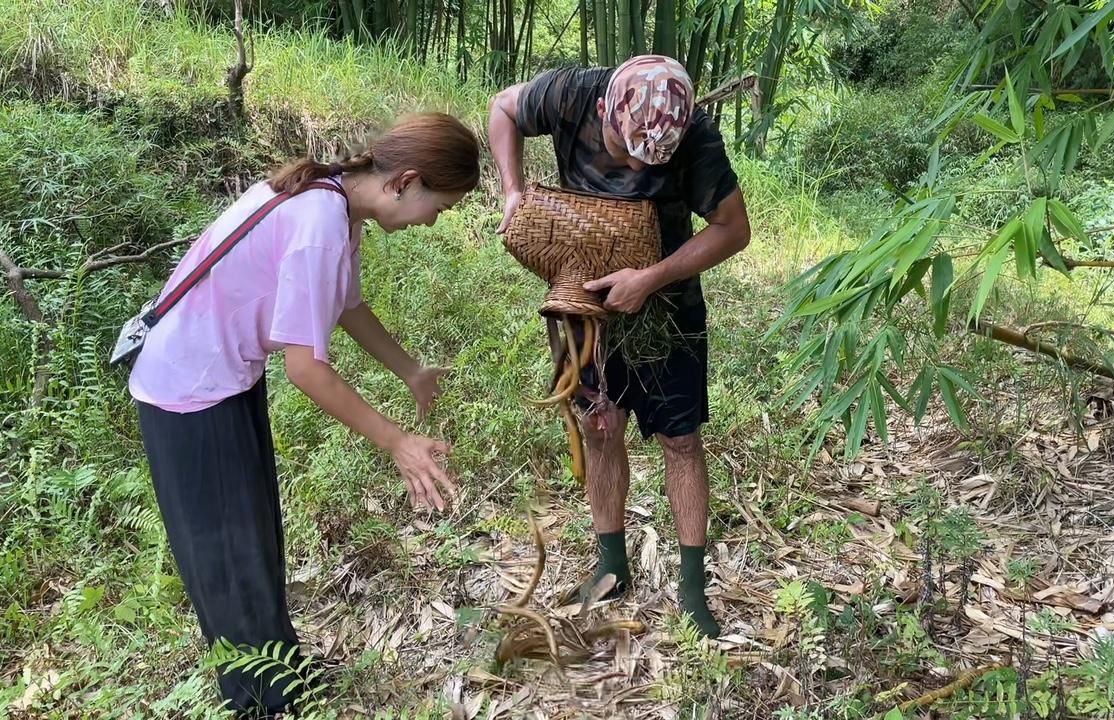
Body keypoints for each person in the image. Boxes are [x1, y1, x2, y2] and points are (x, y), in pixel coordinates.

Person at [128, 112, 480, 716]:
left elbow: (346, 305)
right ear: (406, 182)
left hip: (223, 379)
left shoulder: (338, 203)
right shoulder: (320, 220)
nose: (430, 221)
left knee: (256, 539)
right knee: (229, 560)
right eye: (439, 208)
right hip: (188, 391)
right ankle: (262, 702)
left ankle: (285, 677)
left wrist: (411, 370)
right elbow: (306, 369)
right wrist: (397, 442)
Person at [488, 55, 751, 638]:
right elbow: (502, 108)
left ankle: (691, 586)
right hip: (583, 301)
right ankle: (612, 567)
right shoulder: (573, 93)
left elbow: (734, 228)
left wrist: (650, 278)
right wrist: (513, 191)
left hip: (665, 308)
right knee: (600, 430)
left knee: (680, 440)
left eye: (649, 160)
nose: (636, 165)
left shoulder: (693, 134)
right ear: (606, 107)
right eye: (627, 149)